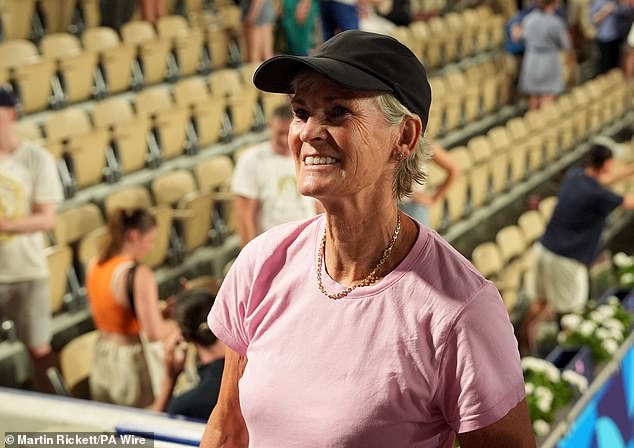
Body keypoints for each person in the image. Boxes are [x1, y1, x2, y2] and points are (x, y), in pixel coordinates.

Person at [201, 30, 533, 448]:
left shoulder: (461, 310)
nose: (308, 132)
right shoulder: (261, 263)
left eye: (337, 111)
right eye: (301, 112)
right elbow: (228, 428)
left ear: (405, 137)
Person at [521, 144, 634, 354]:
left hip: (544, 249)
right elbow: (628, 202)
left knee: (538, 304)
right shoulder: (599, 195)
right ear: (607, 164)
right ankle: (565, 359)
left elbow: (605, 180)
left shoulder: (576, 176)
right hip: (566, 260)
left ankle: (522, 350)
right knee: (570, 315)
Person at [0, 88, 64, 393]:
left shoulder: (35, 159)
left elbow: (47, 218)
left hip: (27, 270)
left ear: (10, 114)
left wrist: (7, 224)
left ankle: (58, 414)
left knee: (39, 349)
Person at [87, 208, 174, 407]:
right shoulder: (138, 274)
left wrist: (160, 313)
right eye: (149, 240)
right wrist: (180, 319)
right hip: (130, 366)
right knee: (137, 434)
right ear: (134, 236)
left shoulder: (95, 264)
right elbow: (155, 333)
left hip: (102, 356)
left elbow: (114, 311)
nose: (150, 248)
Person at [232, 104, 319, 247]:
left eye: (288, 133)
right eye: (279, 133)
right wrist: (251, 256)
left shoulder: (310, 156)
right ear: (269, 127)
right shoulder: (252, 160)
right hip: (270, 246)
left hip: (307, 243)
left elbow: (318, 205)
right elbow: (244, 215)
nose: (284, 139)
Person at [153, 288, 225, 421]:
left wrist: (169, 379)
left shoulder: (185, 407)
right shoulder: (256, 369)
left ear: (184, 336)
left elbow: (146, 436)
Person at [518, 0, 574, 110]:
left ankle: (533, 123)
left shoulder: (529, 19)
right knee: (548, 94)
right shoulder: (555, 22)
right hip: (549, 60)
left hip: (532, 59)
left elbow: (522, 36)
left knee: (533, 95)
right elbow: (566, 45)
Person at [399, 141, 461, 227]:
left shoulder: (422, 143)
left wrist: (434, 199)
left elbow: (454, 170)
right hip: (387, 208)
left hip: (412, 208)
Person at [590, 0, 631, 74]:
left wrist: (615, 9)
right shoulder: (599, 2)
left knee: (616, 65)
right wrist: (605, 11)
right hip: (604, 39)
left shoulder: (616, 2)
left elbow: (628, 11)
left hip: (617, 37)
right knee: (605, 65)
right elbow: (593, 20)